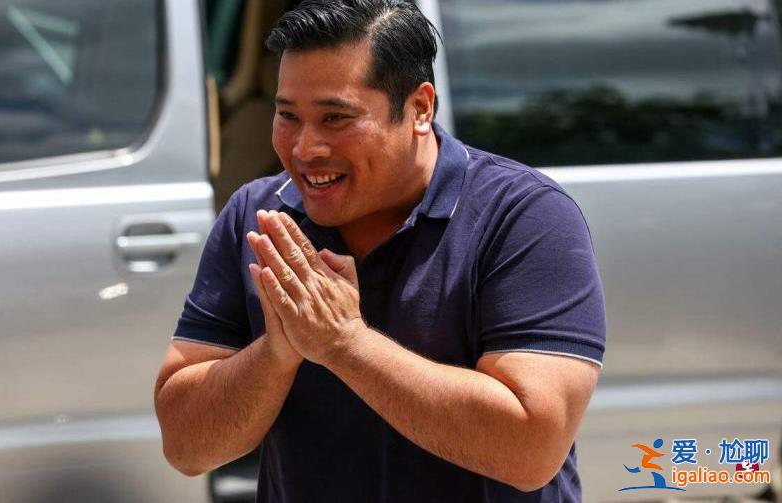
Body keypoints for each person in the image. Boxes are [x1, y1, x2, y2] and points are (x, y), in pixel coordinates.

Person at [154, 1, 606, 501]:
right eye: (287, 116)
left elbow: (531, 449)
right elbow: (185, 446)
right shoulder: (258, 216)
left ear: (420, 109)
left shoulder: (524, 216)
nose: (305, 148)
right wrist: (276, 353)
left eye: (335, 118)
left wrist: (345, 344)